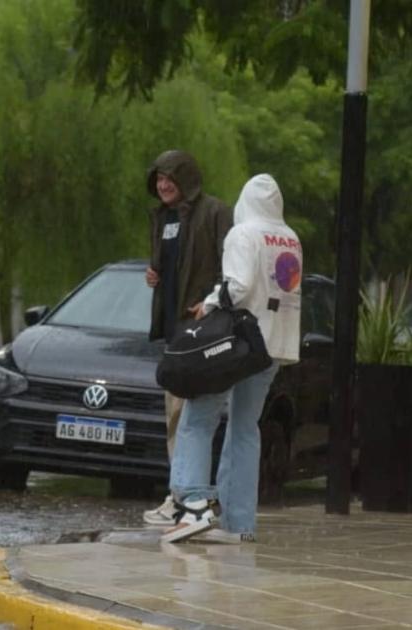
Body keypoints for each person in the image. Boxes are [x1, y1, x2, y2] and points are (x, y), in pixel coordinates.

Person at [162, 173, 302, 544]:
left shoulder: (243, 234)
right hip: (271, 347)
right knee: (245, 429)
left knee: (196, 418)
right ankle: (239, 524)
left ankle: (192, 505)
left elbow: (237, 288)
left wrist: (207, 303)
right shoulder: (289, 237)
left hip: (236, 346)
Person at [142, 150, 232, 526]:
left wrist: (211, 303)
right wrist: (154, 276)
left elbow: (231, 267)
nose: (163, 185)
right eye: (159, 178)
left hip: (202, 332)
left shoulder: (214, 212)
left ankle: (185, 497)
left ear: (187, 179)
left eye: (170, 178)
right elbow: (168, 264)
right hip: (174, 334)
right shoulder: (162, 218)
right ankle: (179, 495)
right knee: (174, 414)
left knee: (190, 416)